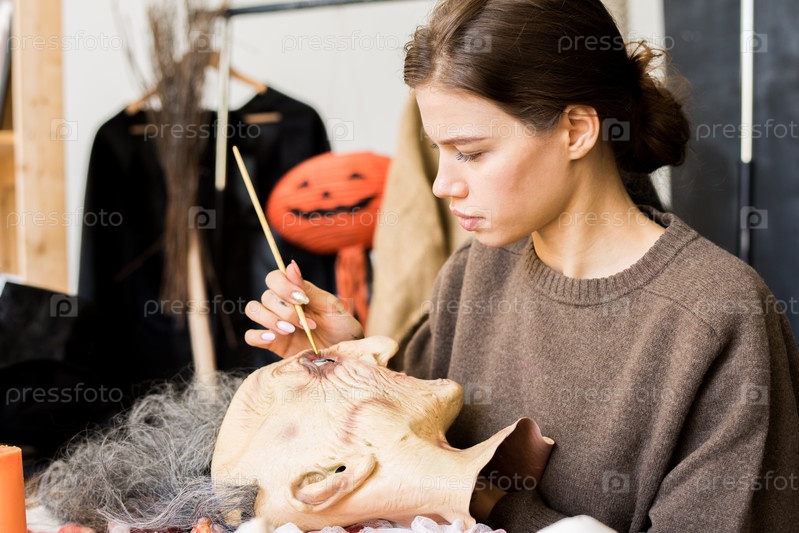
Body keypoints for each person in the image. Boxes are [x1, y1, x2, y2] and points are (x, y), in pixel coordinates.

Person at [244, 0, 799, 531]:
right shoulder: (474, 272)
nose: (442, 184)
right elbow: (400, 456)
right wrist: (344, 363)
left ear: (576, 130)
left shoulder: (718, 314)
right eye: (438, 151)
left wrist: (486, 500)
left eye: (470, 152)